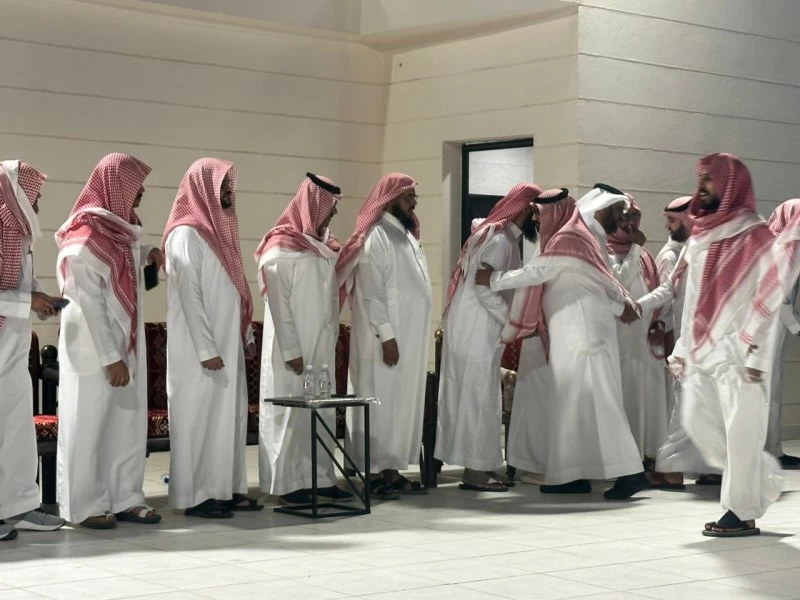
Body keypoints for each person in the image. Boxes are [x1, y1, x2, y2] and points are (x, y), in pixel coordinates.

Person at [476, 186, 647, 500]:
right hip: (576, 334)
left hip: (583, 337)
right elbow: (595, 284)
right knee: (573, 405)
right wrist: (619, 307)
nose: (537, 221)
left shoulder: (570, 238)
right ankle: (571, 474)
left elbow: (538, 272)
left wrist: (494, 279)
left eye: (541, 215)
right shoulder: (579, 238)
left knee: (600, 402)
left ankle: (631, 472)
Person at [657, 153, 781, 537]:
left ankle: (740, 511)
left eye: (709, 179)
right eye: (700, 179)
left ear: (730, 185)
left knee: (741, 431)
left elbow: (770, 298)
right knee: (699, 422)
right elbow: (693, 298)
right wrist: (682, 348)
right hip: (702, 350)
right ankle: (760, 478)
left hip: (741, 354)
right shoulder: (700, 235)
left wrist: (758, 353)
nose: (702, 187)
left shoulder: (756, 235)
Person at [56, 153, 162, 529]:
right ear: (116, 187)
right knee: (88, 425)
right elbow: (90, 303)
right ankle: (84, 505)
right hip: (93, 349)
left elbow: (123, 269)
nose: (142, 191)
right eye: (136, 184)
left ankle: (126, 497)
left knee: (126, 423)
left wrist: (148, 254)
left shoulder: (120, 231)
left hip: (125, 345)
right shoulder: (84, 239)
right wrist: (109, 356)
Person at [163, 158, 259, 518]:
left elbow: (235, 290)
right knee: (200, 420)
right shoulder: (185, 234)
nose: (230, 191)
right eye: (223, 185)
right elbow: (191, 297)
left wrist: (244, 333)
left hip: (225, 345)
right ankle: (197, 496)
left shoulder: (217, 236)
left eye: (230, 185)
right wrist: (206, 348)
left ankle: (226, 489)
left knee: (228, 419)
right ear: (204, 189)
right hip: (198, 351)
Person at [435, 183, 542, 492]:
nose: (537, 217)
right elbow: (484, 288)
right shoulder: (498, 240)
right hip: (477, 328)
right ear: (524, 209)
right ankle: (475, 472)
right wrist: (514, 322)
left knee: (475, 396)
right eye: (535, 210)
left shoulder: (503, 237)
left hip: (475, 327)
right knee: (478, 398)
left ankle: (477, 466)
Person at [256, 173, 353, 506]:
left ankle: (320, 479)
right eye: (330, 206)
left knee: (320, 411)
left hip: (321, 344)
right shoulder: (281, 246)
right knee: (289, 414)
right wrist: (291, 349)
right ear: (313, 204)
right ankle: (287, 483)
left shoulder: (325, 246)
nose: (334, 212)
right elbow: (278, 303)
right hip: (292, 348)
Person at [336, 173, 432, 498]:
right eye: (408, 197)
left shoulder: (407, 235)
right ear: (390, 200)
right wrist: (387, 335)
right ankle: (372, 471)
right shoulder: (376, 235)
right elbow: (371, 291)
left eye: (414, 196)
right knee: (378, 403)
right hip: (381, 341)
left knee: (398, 405)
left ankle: (391, 470)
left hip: (408, 340)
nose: (414, 202)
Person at [0, 160, 66, 541]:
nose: (37, 200)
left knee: (16, 433)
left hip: (13, 348)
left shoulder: (21, 234)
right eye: (32, 193)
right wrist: (29, 301)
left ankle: (20, 506)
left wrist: (42, 300)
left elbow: (25, 283)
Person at [638, 196, 714, 490]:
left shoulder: (715, 246)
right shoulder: (690, 248)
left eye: (673, 220)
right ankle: (692, 468)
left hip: (709, 342)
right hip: (689, 341)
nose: (668, 227)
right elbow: (669, 289)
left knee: (694, 406)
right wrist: (640, 305)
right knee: (691, 404)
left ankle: (677, 470)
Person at [607, 196, 668, 467]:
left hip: (643, 339)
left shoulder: (644, 255)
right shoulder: (605, 251)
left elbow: (659, 289)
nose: (629, 223)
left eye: (634, 217)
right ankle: (624, 459)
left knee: (646, 395)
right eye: (623, 217)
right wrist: (634, 248)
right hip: (618, 338)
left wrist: (660, 322)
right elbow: (619, 281)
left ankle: (647, 454)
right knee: (624, 394)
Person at [763, 200, 800, 469]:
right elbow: (778, 296)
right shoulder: (777, 250)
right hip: (766, 327)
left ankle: (773, 448)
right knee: (766, 387)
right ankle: (766, 451)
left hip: (775, 326)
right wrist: (797, 327)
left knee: (773, 387)